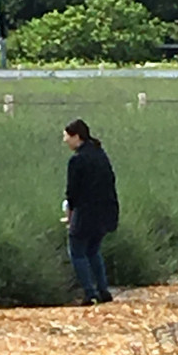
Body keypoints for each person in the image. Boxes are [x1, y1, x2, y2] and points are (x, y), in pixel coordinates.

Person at [62, 118, 119, 305]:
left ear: (76, 136)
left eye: (66, 136)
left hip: (86, 212)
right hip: (106, 210)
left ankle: (89, 293)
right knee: (93, 250)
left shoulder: (77, 160)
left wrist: (70, 215)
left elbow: (72, 192)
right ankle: (103, 291)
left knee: (77, 251)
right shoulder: (100, 153)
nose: (65, 141)